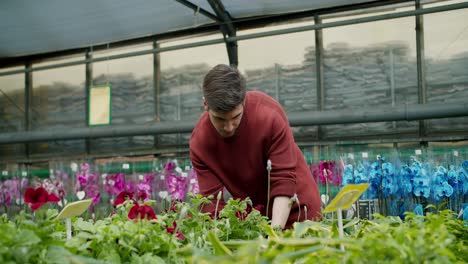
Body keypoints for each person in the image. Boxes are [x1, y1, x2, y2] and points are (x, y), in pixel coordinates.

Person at [190, 64, 321, 229]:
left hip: (300, 211)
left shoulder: (268, 116)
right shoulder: (200, 143)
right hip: (257, 220)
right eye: (220, 120)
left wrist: (273, 236)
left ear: (244, 100)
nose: (229, 127)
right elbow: (211, 203)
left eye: (235, 117)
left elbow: (283, 180)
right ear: (205, 105)